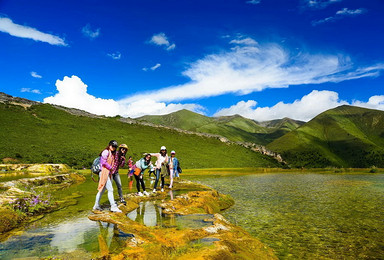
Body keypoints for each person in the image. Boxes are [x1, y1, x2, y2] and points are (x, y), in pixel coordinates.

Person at [93, 140, 122, 213]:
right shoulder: (106, 152)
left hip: (106, 172)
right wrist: (110, 168)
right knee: (110, 189)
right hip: (104, 172)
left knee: (102, 190)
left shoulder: (111, 153)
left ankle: (96, 205)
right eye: (113, 146)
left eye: (115, 147)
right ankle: (113, 206)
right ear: (109, 145)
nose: (114, 148)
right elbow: (103, 162)